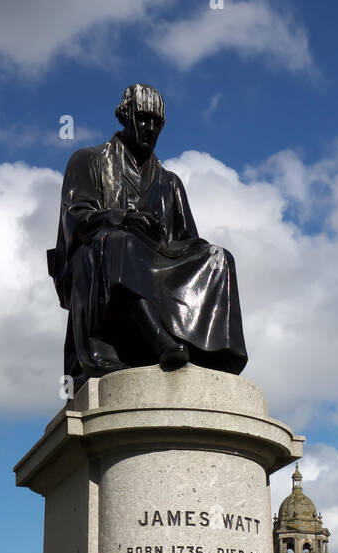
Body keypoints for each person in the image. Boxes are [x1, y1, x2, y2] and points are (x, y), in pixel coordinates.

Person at [48, 83, 248, 389]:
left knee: (217, 257)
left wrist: (197, 250)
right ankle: (159, 341)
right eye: (142, 118)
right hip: (103, 259)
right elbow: (74, 217)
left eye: (157, 122)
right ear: (124, 116)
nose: (150, 128)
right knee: (121, 242)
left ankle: (216, 357)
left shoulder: (169, 182)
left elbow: (186, 238)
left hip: (158, 259)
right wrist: (123, 218)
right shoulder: (88, 160)